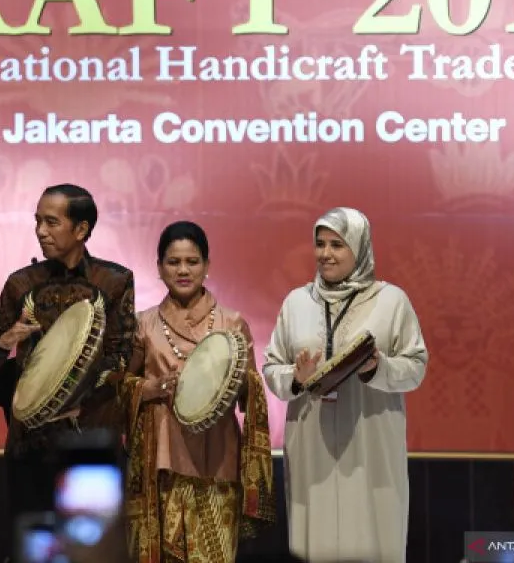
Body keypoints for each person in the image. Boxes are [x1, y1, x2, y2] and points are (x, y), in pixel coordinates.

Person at [262, 207, 428, 563]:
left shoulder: (391, 301)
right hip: (312, 445)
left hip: (371, 444)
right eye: (320, 244)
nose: (325, 253)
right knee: (314, 541)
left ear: (360, 247)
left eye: (337, 245)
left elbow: (415, 367)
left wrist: (378, 366)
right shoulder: (297, 302)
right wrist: (296, 377)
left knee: (373, 533)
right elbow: (272, 367)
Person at [0, 184, 135, 523]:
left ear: (81, 229)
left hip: (90, 435)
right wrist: (5, 341)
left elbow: (122, 355)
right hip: (29, 441)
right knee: (33, 538)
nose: (40, 231)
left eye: (51, 222)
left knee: (90, 539)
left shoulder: (114, 281)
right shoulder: (21, 283)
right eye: (37, 221)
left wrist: (76, 396)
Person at [121, 221, 276, 562]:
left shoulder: (231, 323)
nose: (183, 270)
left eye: (192, 261)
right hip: (160, 463)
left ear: (207, 266)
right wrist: (147, 388)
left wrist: (232, 380)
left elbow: (251, 393)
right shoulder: (143, 324)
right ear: (159, 267)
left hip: (217, 459)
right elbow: (120, 385)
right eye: (173, 262)